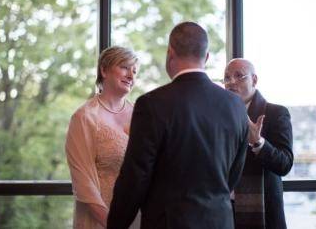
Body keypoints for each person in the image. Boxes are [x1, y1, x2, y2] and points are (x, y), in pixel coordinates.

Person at [107, 22, 249, 229]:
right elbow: (234, 173)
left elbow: (135, 177)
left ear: (170, 53)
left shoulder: (152, 104)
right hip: (220, 222)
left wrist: (116, 224)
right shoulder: (235, 105)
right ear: (206, 56)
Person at [65, 46, 140, 229]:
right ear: (104, 70)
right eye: (124, 67)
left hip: (139, 218)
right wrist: (112, 223)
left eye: (135, 71)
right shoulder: (84, 118)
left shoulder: (141, 114)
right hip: (100, 220)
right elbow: (84, 183)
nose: (131, 75)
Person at [224, 58, 293, 229]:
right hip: (224, 211)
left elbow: (284, 164)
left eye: (239, 76)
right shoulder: (220, 115)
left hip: (262, 213)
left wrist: (258, 142)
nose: (231, 82)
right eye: (226, 78)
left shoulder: (276, 113)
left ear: (254, 80)